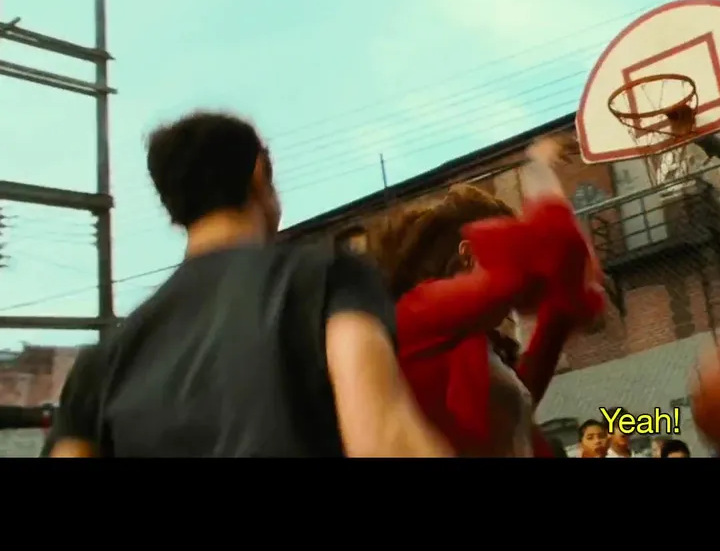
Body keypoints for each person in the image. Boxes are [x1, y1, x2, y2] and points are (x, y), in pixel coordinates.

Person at [44, 112, 450, 458]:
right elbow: (384, 440)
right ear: (258, 174)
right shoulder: (326, 276)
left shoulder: (100, 365)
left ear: (174, 208)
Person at [369, 136, 606, 457]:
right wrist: (539, 166)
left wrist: (559, 317)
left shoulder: (473, 343)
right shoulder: (415, 313)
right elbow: (540, 255)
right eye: (507, 246)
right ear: (468, 254)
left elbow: (514, 410)